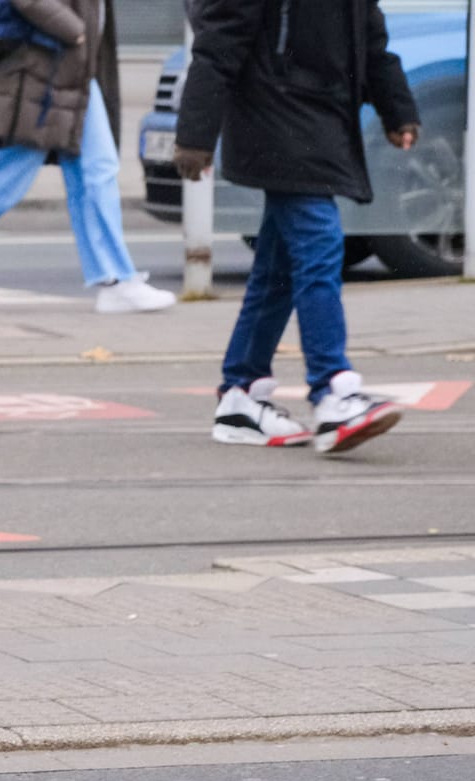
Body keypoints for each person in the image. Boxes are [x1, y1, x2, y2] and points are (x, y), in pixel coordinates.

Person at [174, 0, 418, 453]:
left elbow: (370, 37)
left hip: (321, 116)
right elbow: (218, 42)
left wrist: (396, 106)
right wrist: (195, 134)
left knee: (279, 270)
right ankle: (333, 391)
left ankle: (241, 396)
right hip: (273, 112)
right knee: (319, 245)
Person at [0, 0, 176, 315]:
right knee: (10, 175)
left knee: (95, 170)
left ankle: (115, 280)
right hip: (45, 66)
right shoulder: (65, 37)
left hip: (67, 68)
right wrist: (74, 29)